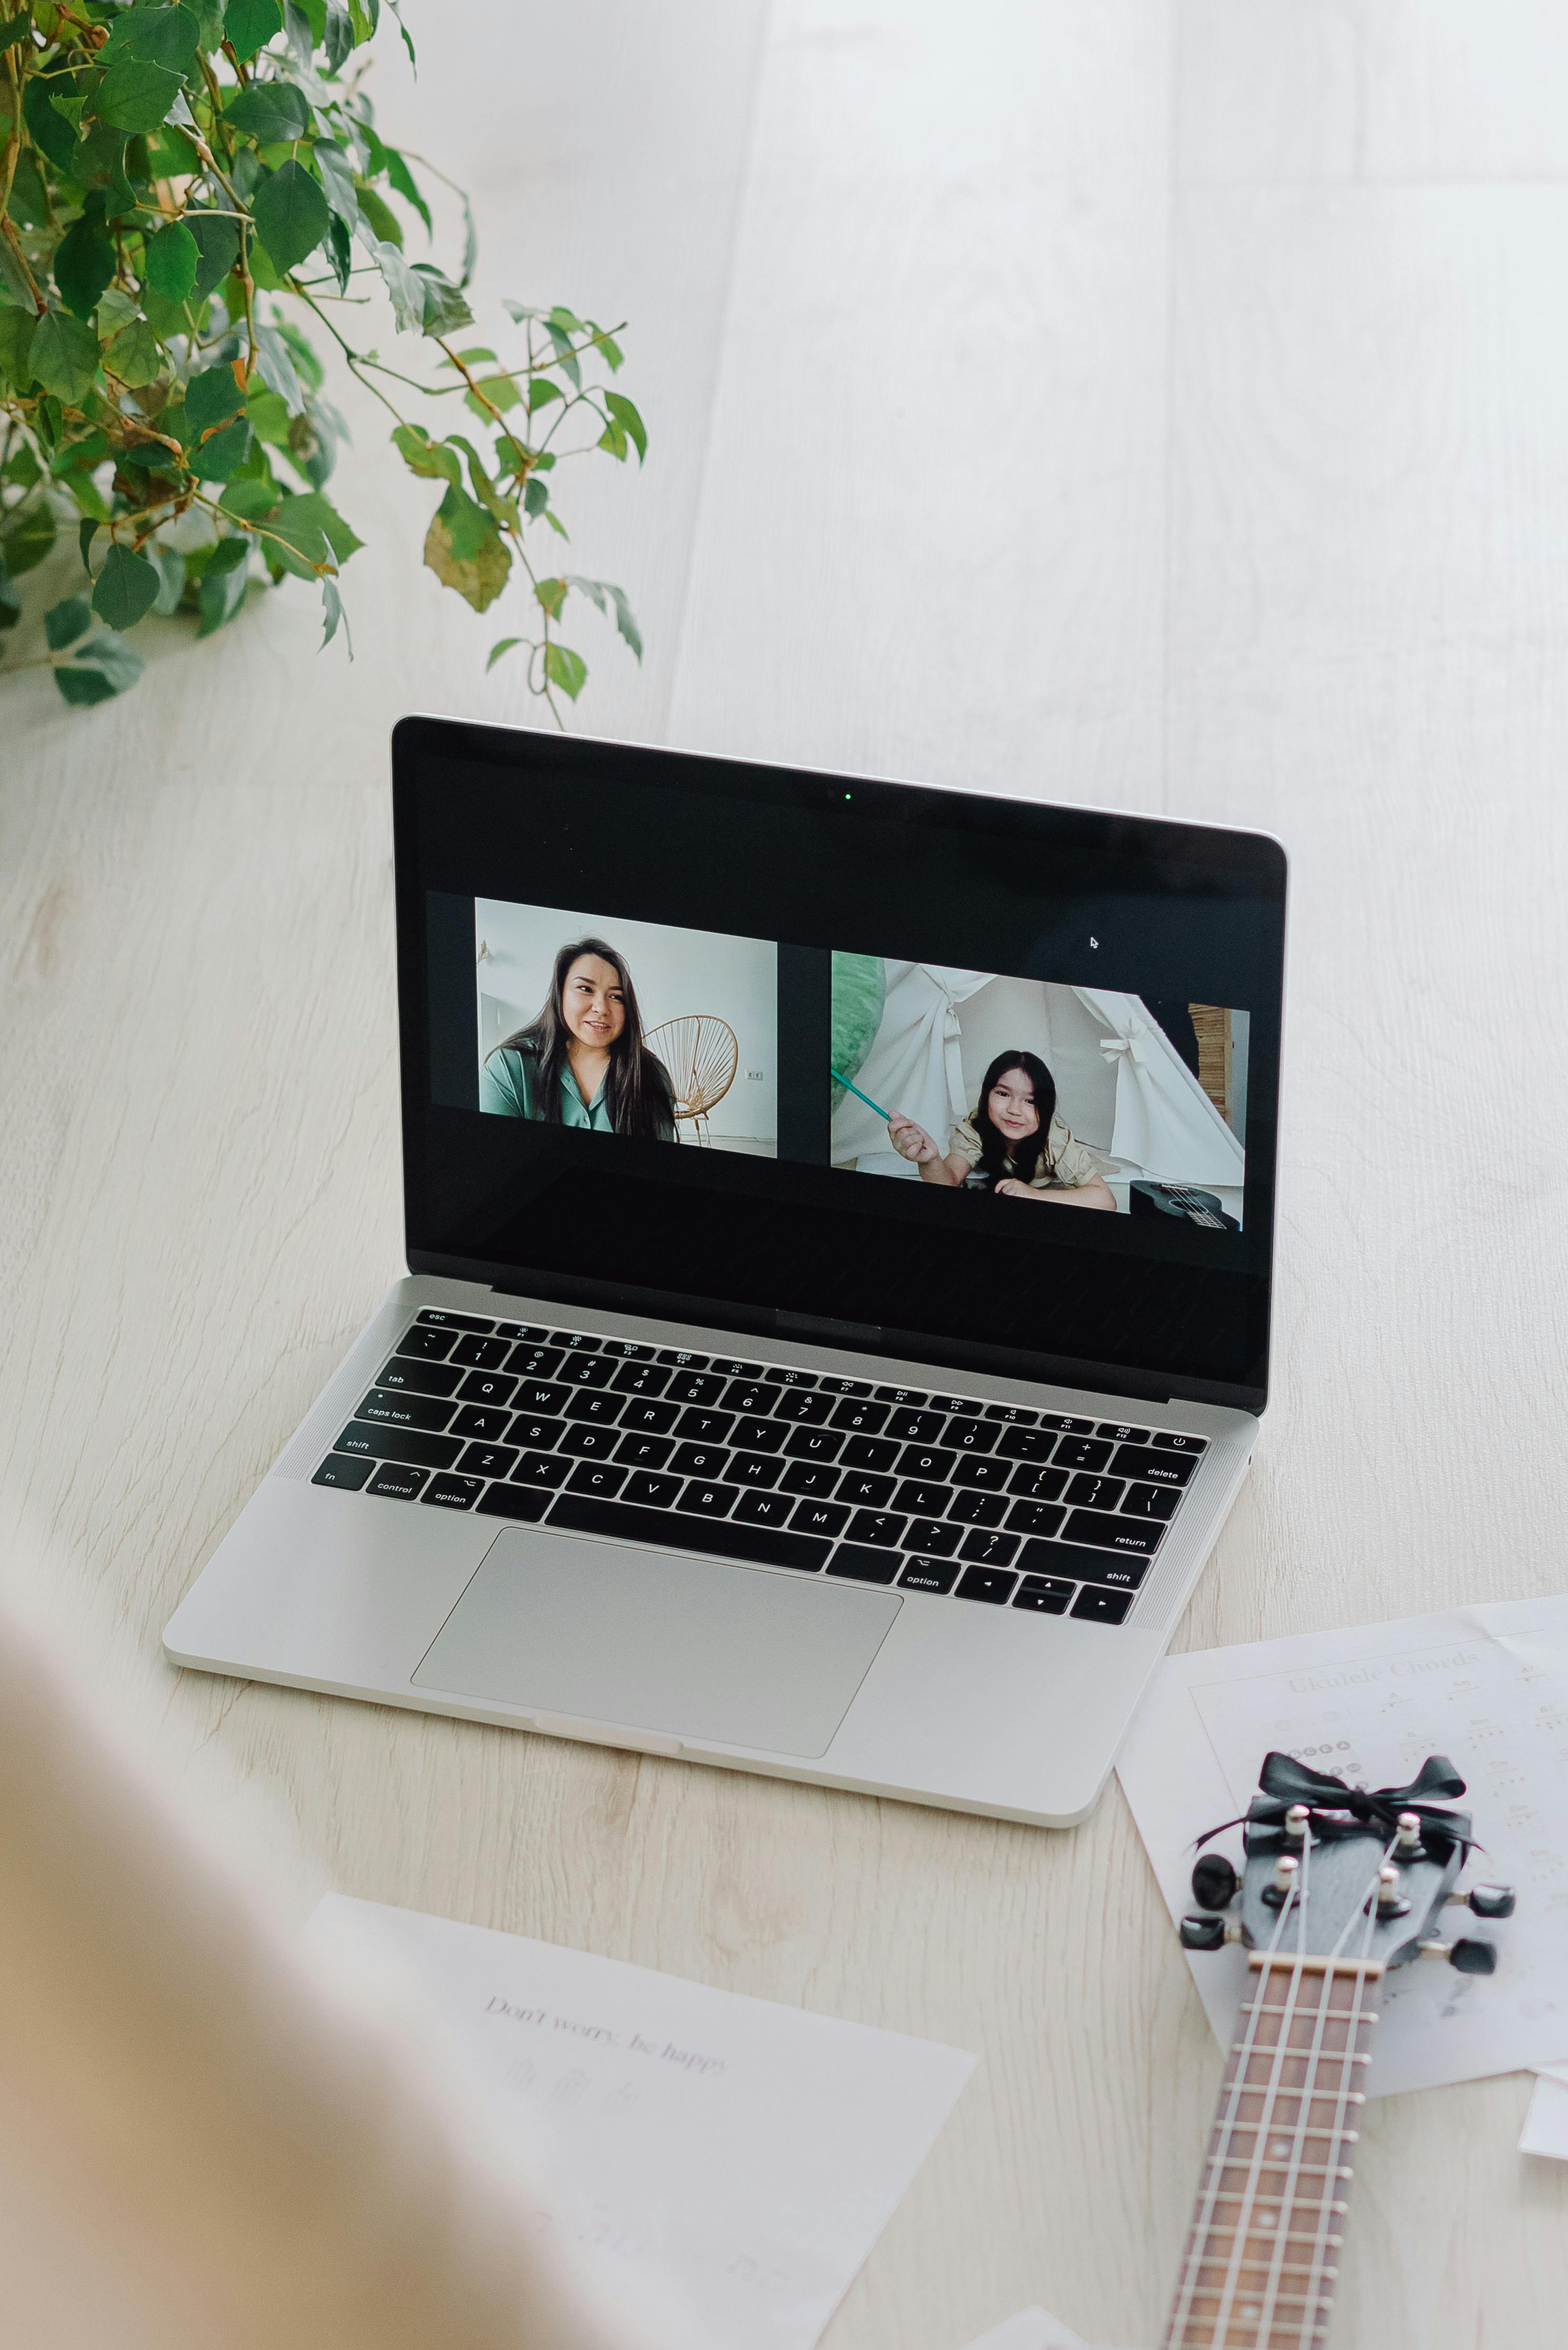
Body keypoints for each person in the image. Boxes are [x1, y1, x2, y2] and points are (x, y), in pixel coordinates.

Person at [480, 938, 677, 1142]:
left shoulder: (651, 1075)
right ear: (560, 994)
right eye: (585, 989)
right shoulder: (508, 1067)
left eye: (616, 997)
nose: (601, 1008)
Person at [885, 1048, 1116, 1209]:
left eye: (1030, 1101)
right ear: (987, 1096)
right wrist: (930, 1159)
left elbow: (1105, 1200)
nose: (1014, 1110)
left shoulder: (1053, 1137)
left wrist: (1034, 1195)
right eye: (1003, 1094)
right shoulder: (976, 1127)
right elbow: (948, 1182)